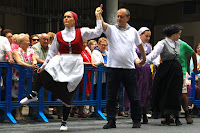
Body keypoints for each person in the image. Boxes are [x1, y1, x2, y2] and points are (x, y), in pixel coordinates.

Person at [20, 6, 103, 131]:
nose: (65, 18)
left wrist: (98, 15)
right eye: (64, 17)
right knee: (43, 72)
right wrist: (43, 65)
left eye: (68, 16)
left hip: (75, 63)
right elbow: (52, 53)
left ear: (74, 20)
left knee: (69, 93)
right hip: (61, 60)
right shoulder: (59, 35)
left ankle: (64, 122)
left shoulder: (82, 32)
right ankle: (33, 94)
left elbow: (98, 31)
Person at [99, 5, 146, 128]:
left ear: (128, 18)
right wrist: (98, 15)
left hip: (129, 68)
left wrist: (144, 58)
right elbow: (102, 25)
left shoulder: (133, 31)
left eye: (121, 17)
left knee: (134, 96)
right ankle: (111, 121)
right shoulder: (111, 29)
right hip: (113, 68)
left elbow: (139, 45)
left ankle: (136, 120)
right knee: (111, 96)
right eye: (117, 16)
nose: (118, 18)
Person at [142, 25, 183, 126]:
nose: (179, 35)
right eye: (178, 33)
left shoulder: (178, 43)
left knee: (176, 91)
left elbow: (190, 50)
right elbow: (154, 54)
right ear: (173, 34)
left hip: (176, 69)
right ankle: (167, 115)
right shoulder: (162, 43)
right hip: (165, 69)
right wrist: (144, 61)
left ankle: (176, 116)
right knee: (165, 91)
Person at [134, 27, 159, 124]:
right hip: (137, 69)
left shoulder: (148, 46)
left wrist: (157, 63)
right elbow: (133, 55)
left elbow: (153, 57)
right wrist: (138, 61)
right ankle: (137, 112)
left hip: (147, 70)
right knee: (138, 91)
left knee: (146, 91)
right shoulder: (134, 45)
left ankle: (144, 112)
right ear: (140, 35)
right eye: (146, 36)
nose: (148, 38)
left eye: (149, 36)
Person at [12, 33, 38, 120]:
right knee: (16, 95)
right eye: (27, 41)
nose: (29, 42)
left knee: (24, 95)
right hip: (18, 76)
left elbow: (34, 59)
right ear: (21, 42)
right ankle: (17, 113)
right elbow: (19, 62)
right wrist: (30, 66)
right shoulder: (16, 51)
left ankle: (21, 112)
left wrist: (34, 63)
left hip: (28, 76)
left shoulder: (31, 50)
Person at [178, 40, 197, 124]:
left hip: (181, 71)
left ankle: (187, 113)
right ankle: (170, 114)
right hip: (169, 72)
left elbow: (193, 53)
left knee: (183, 93)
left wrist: (195, 68)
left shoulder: (183, 44)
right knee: (169, 93)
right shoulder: (165, 43)